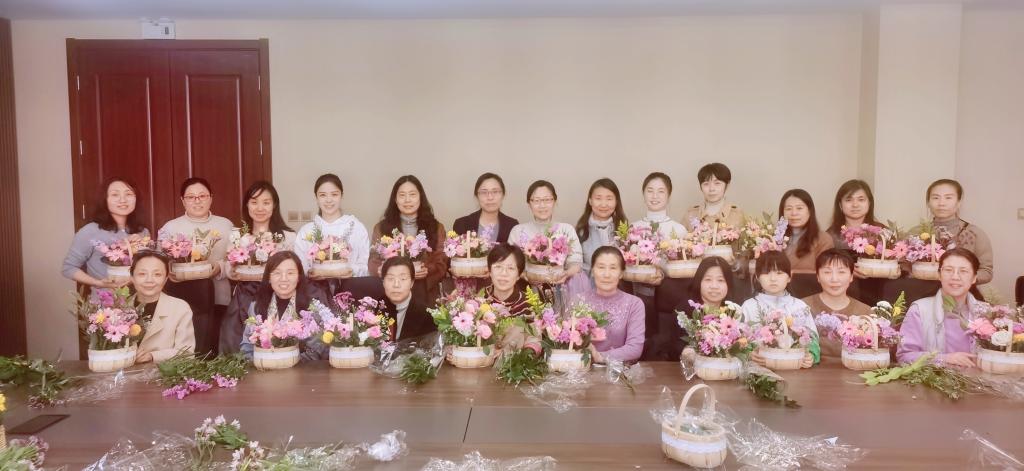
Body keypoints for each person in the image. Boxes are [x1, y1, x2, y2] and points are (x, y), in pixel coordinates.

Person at [159, 177, 233, 356]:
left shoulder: (226, 225)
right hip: (181, 299)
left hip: (219, 296)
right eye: (191, 197)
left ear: (211, 198)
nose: (197, 201)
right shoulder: (170, 228)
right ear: (182, 200)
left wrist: (219, 267)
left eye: (202, 196)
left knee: (214, 350)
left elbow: (236, 260)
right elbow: (159, 263)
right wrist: (169, 271)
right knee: (187, 350)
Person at [221, 180, 298, 353]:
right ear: (247, 205)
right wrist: (233, 270)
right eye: (254, 202)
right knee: (238, 348)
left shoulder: (288, 237)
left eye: (266, 202)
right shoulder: (238, 236)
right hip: (244, 297)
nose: (260, 208)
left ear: (274, 205)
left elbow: (296, 271)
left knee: (275, 345)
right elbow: (228, 269)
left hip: (277, 297)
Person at [896, 248, 986, 368]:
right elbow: (904, 357)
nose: (955, 276)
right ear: (939, 275)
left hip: (978, 379)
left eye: (963, 271)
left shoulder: (986, 313)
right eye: (948, 270)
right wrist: (944, 359)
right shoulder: (919, 309)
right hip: (933, 379)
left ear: (974, 278)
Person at [368, 175, 448, 306]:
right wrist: (381, 269)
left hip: (426, 295)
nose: (407, 200)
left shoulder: (436, 227)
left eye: (412, 194)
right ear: (395, 199)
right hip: (391, 294)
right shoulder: (381, 228)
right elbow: (373, 260)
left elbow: (442, 261)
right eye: (402, 195)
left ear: (420, 197)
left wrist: (426, 269)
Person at [239, 252, 329, 361]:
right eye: (277, 273)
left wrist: (285, 363)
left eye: (290, 273)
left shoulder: (312, 307)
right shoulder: (257, 306)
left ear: (299, 277)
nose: (284, 278)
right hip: (264, 367)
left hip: (301, 368)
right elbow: (247, 346)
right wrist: (261, 362)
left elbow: (316, 350)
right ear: (269, 277)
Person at [62, 177, 150, 288]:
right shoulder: (90, 231)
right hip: (105, 297)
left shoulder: (143, 232)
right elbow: (68, 268)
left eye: (128, 194)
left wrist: (137, 247)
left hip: (141, 296)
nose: (123, 200)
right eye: (115, 195)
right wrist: (98, 283)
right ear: (105, 199)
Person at [741, 250, 819, 368]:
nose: (773, 278)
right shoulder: (748, 306)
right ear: (757, 277)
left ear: (790, 276)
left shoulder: (800, 306)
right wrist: (749, 354)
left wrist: (811, 356)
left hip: (795, 368)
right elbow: (738, 340)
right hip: (760, 369)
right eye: (766, 273)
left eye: (779, 273)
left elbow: (813, 339)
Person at [652, 256, 734, 361]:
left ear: (729, 284)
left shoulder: (733, 311)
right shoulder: (684, 311)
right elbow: (675, 348)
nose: (714, 286)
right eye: (708, 279)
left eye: (720, 280)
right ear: (699, 282)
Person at [294, 174, 371, 282]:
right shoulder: (306, 231)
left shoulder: (356, 227)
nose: (329, 200)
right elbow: (299, 268)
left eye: (334, 194)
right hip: (314, 289)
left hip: (352, 287)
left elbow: (364, 265)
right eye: (322, 195)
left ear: (341, 195)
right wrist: (311, 272)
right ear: (316, 197)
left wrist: (350, 270)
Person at [508, 180, 584, 289]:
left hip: (560, 288)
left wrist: (567, 274)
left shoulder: (567, 229)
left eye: (547, 200)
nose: (542, 205)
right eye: (536, 200)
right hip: (526, 290)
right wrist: (524, 275)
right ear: (529, 204)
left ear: (555, 201)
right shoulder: (518, 231)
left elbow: (576, 262)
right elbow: (510, 263)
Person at [802, 249, 872, 359]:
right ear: (818, 276)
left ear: (851, 276)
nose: (834, 279)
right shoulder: (802, 307)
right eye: (827, 272)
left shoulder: (866, 312)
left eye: (841, 272)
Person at [582, 246, 646, 363]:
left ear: (621, 273)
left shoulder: (634, 304)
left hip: (621, 370)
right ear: (593, 271)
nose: (607, 274)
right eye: (601, 267)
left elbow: (635, 348)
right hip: (583, 369)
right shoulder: (579, 301)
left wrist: (599, 356)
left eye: (613, 268)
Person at [131, 250, 195, 363]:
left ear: (165, 279)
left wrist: (153, 356)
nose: (149, 280)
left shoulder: (180, 308)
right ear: (132, 277)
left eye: (157, 274)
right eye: (142, 274)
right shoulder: (117, 308)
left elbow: (186, 353)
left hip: (162, 372)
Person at [926, 179, 994, 285]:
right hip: (922, 291)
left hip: (962, 292)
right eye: (935, 198)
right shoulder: (916, 233)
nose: (941, 203)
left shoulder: (974, 233)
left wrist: (961, 278)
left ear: (959, 202)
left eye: (948, 198)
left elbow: (986, 272)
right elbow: (904, 267)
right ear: (928, 202)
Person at [482, 243, 541, 354]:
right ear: (489, 271)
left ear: (518, 275)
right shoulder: (479, 301)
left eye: (511, 268)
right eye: (498, 267)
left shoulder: (528, 305)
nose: (504, 273)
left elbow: (534, 340)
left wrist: (524, 355)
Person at [575, 178, 628, 276]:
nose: (603, 204)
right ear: (590, 201)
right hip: (587, 284)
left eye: (609, 199)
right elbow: (575, 266)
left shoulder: (626, 232)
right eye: (598, 198)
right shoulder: (580, 232)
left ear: (616, 201)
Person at [452, 172, 519, 245]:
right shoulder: (462, 224)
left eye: (495, 192)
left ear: (503, 195)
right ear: (477, 196)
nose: (490, 197)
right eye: (484, 192)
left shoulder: (512, 225)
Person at [380, 256, 438, 340]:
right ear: (383, 282)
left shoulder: (427, 315)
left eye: (403, 279)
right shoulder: (373, 309)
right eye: (391, 279)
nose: (396, 285)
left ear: (412, 283)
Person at [778, 189, 834, 274]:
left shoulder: (823, 239)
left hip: (809, 283)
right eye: (788, 209)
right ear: (782, 213)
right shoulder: (774, 238)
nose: (794, 213)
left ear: (810, 211)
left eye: (799, 208)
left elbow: (826, 272)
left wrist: (790, 273)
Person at [826, 179, 882, 253]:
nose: (855, 205)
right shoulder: (829, 236)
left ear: (869, 203)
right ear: (840, 205)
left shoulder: (882, 232)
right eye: (848, 200)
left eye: (861, 200)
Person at [686, 163, 745, 231]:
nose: (711, 189)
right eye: (706, 184)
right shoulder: (691, 214)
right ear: (700, 187)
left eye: (717, 183)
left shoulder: (737, 215)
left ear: (727, 185)